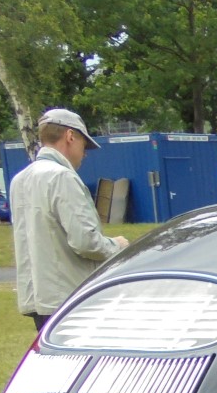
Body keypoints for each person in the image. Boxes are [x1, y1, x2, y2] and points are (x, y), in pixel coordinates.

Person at [10, 108, 129, 331]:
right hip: (69, 297)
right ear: (70, 136)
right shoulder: (62, 177)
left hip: (38, 298)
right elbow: (86, 242)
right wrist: (117, 245)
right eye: (84, 145)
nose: (84, 154)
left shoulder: (20, 179)